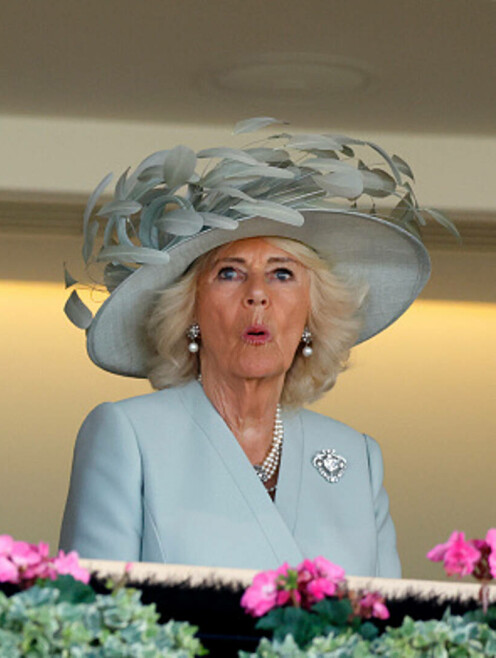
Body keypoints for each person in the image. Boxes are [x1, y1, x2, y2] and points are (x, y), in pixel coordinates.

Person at [59, 129, 441, 577]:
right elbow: (91, 621)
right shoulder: (129, 436)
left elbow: (388, 627)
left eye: (282, 274)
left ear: (311, 316)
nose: (257, 295)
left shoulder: (356, 457)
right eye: (229, 273)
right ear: (190, 311)